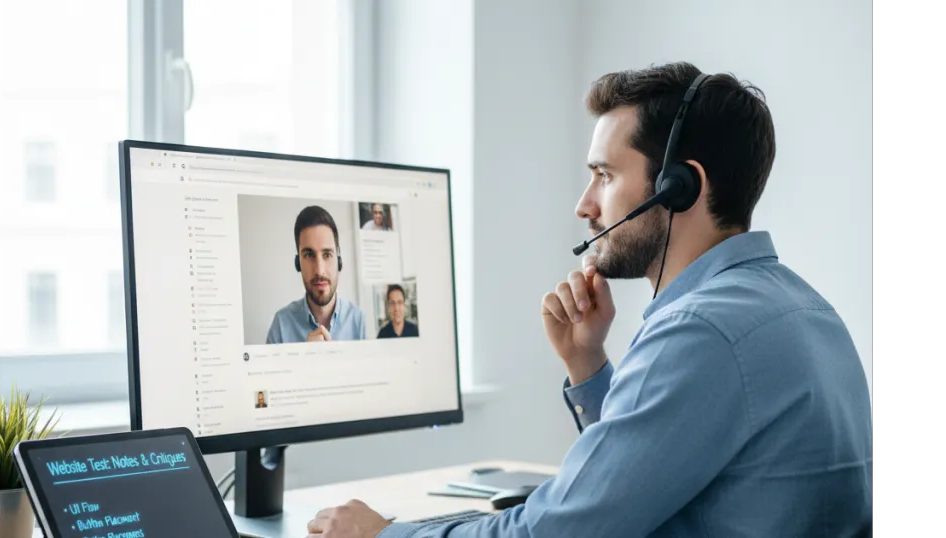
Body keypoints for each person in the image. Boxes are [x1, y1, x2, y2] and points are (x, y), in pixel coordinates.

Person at [304, 62, 873, 537]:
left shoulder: (703, 330)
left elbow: (555, 532)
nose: (584, 204)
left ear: (680, 187)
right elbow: (641, 480)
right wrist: (587, 363)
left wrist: (384, 534)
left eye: (603, 175)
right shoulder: (804, 309)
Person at [266, 205, 366, 344]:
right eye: (309, 255)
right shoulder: (281, 326)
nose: (319, 271)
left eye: (327, 254)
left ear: (339, 259)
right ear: (298, 262)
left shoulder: (360, 322)